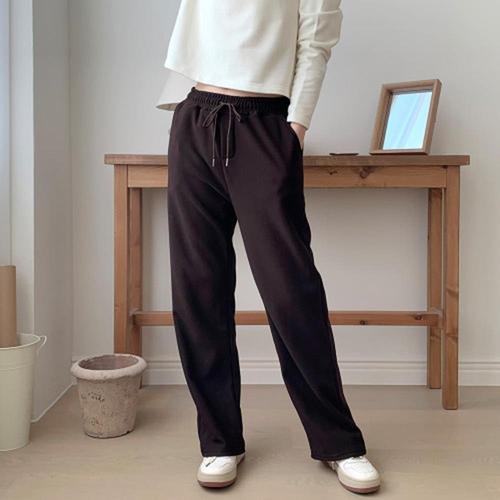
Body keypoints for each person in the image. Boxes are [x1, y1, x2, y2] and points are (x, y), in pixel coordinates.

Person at [157, 0, 381, 493]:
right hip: (195, 119)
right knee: (198, 289)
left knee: (291, 290)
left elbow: (315, 41)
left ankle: (339, 442)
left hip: (263, 125)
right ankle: (220, 441)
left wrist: (295, 128)